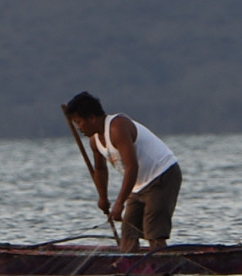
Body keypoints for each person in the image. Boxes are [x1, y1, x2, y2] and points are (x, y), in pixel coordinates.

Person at [64, 92, 181, 250]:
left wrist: (119, 203)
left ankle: (159, 264)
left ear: (92, 118)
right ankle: (129, 268)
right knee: (128, 232)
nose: (78, 128)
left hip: (162, 175)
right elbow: (100, 169)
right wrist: (103, 198)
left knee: (153, 230)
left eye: (79, 122)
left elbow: (132, 166)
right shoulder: (95, 140)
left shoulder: (117, 127)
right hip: (139, 184)